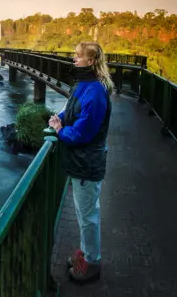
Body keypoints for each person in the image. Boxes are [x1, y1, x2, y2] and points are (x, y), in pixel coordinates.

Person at [48, 42, 113, 283]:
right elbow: (71, 110)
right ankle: (86, 253)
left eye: (78, 57)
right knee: (82, 213)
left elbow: (83, 133)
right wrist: (59, 119)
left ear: (92, 61)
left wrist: (60, 131)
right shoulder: (83, 84)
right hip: (81, 162)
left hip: (87, 163)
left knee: (88, 216)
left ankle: (93, 262)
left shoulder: (96, 91)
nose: (73, 60)